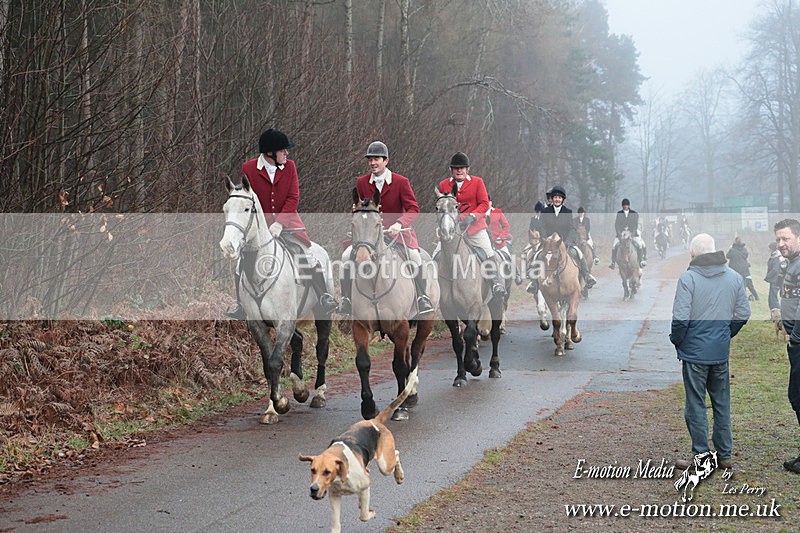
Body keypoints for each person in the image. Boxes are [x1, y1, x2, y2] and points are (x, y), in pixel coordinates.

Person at [225, 128, 338, 319]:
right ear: (270, 153)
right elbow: (248, 200)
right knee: (239, 264)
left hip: (288, 222)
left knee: (308, 256)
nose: (287, 153)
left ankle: (324, 296)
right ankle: (240, 305)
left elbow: (293, 197)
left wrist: (279, 223)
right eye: (283, 150)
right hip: (259, 227)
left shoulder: (290, 167)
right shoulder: (249, 169)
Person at [670, 233, 750, 471]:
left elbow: (680, 320)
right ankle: (724, 455)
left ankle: (702, 457)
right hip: (720, 353)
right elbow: (743, 314)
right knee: (721, 403)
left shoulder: (688, 279)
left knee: (695, 404)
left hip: (694, 354)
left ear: (693, 254)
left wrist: (677, 341)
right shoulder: (735, 278)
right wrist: (725, 334)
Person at [338, 141, 434, 316]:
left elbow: (414, 208)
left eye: (377, 159)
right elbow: (360, 209)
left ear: (386, 161)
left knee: (414, 256)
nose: (373, 163)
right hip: (369, 236)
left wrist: (400, 223)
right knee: (346, 257)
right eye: (370, 159)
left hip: (396, 234)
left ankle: (422, 297)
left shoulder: (401, 182)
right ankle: (346, 299)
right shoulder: (361, 182)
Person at [436, 152, 506, 297]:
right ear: (451, 170)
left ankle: (496, 283)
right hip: (452, 231)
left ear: (467, 169)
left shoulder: (477, 182)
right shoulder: (444, 184)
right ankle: (435, 290)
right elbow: (442, 206)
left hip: (475, 228)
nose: (459, 170)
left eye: (462, 168)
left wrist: (472, 216)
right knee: (436, 254)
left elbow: (484, 203)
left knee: (488, 252)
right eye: (456, 168)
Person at [774, 219, 800, 473]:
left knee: (798, 396)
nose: (781, 244)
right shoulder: (791, 263)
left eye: (786, 239)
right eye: (778, 239)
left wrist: (796, 338)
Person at [539, 185, 597, 289]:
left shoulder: (568, 211)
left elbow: (571, 228)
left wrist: (567, 241)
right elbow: (542, 226)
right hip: (548, 242)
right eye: (555, 197)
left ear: (563, 200)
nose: (557, 199)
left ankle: (587, 276)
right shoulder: (545, 211)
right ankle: (534, 283)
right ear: (552, 199)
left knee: (578, 253)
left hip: (564, 242)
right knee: (538, 256)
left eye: (559, 197)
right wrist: (544, 239)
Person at [609, 198, 647, 270]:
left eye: (626, 205)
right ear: (622, 206)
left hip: (632, 232)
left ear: (629, 205)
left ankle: (641, 260)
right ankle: (613, 262)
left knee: (639, 244)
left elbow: (635, 225)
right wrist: (619, 234)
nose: (625, 206)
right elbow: (616, 225)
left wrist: (632, 234)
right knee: (614, 246)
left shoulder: (634, 213)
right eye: (624, 205)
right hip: (622, 232)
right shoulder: (619, 214)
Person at [726, 236, 759, 301]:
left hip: (735, 269)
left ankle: (737, 298)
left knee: (736, 285)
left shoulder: (732, 250)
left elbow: (727, 256)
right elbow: (746, 256)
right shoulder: (744, 250)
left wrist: (730, 249)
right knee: (748, 285)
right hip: (744, 269)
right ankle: (756, 297)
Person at [765, 241, 783, 312]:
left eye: (769, 248)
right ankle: (774, 315)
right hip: (774, 280)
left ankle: (778, 316)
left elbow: (775, 269)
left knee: (773, 298)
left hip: (776, 280)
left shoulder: (776, 257)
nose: (768, 250)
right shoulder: (775, 256)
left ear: (772, 248)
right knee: (771, 298)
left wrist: (768, 276)